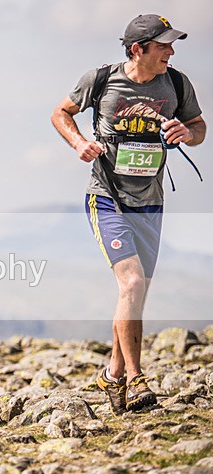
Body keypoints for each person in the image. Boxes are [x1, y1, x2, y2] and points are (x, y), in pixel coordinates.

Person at [51, 15, 206, 414]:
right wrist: (79, 142)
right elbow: (60, 113)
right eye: (163, 46)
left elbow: (199, 125)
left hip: (151, 201)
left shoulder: (176, 84)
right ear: (138, 49)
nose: (170, 52)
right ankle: (137, 379)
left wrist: (187, 134)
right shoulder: (100, 80)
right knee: (132, 282)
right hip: (107, 197)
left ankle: (112, 375)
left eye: (172, 46)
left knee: (133, 296)